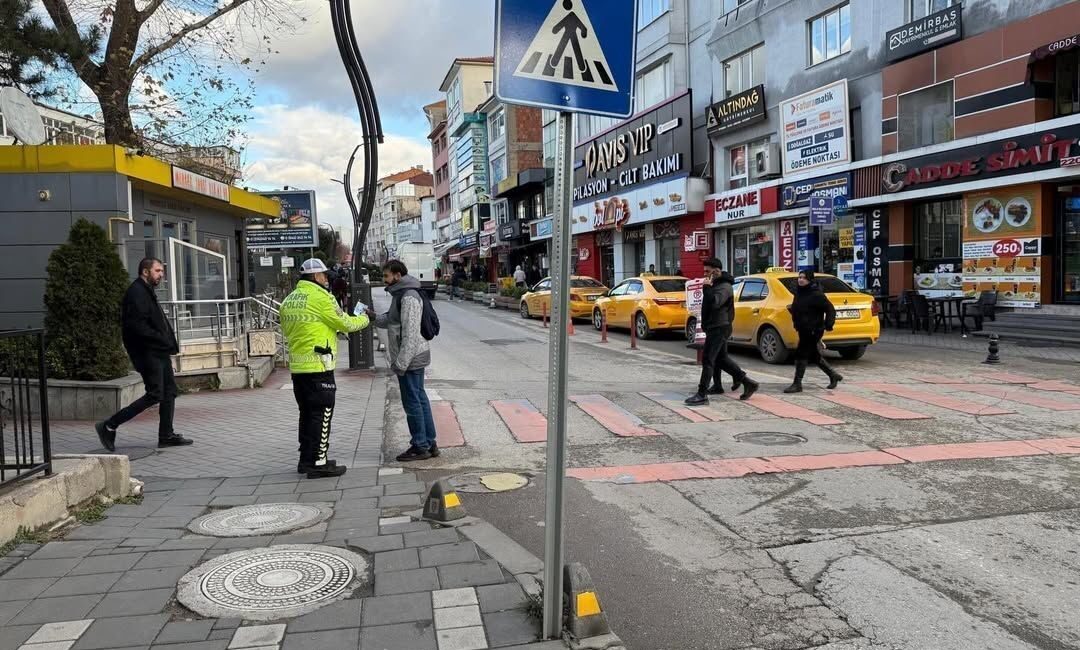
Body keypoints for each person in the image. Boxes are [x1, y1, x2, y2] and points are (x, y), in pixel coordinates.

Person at [280, 258, 370, 478]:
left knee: (307, 414)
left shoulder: (289, 300)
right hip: (319, 365)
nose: (327, 278)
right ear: (314, 277)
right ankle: (319, 462)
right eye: (324, 275)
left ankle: (306, 460)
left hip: (299, 368)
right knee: (322, 414)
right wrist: (365, 319)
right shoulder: (322, 298)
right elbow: (345, 324)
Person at [95, 258, 192, 452]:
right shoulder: (137, 292)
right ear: (145, 272)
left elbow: (155, 322)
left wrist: (167, 342)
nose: (161, 275)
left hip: (158, 351)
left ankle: (166, 435)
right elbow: (136, 327)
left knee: (169, 392)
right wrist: (161, 339)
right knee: (155, 394)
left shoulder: (147, 291)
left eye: (162, 271)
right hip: (148, 352)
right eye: (157, 271)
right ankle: (109, 425)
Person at [372, 260, 439, 462]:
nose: (384, 280)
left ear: (397, 275)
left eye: (386, 276)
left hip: (411, 357)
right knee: (419, 399)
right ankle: (429, 442)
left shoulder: (408, 297)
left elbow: (410, 334)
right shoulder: (400, 294)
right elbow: (392, 321)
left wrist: (400, 364)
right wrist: (371, 316)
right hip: (411, 356)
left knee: (413, 402)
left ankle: (420, 445)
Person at [685, 258, 758, 405]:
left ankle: (702, 394)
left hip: (719, 327)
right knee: (721, 359)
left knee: (708, 359)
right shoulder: (716, 284)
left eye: (707, 271)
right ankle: (744, 383)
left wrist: (706, 288)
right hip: (714, 326)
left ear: (717, 271)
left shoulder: (724, 286)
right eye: (704, 271)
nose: (705, 274)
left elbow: (715, 303)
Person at [784, 270, 842, 393]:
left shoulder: (816, 294)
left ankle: (797, 383)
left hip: (813, 330)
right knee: (814, 355)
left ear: (809, 280)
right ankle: (833, 375)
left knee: (801, 354)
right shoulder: (799, 293)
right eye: (799, 277)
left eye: (804, 278)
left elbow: (830, 309)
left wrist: (829, 324)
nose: (800, 280)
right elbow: (799, 308)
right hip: (803, 329)